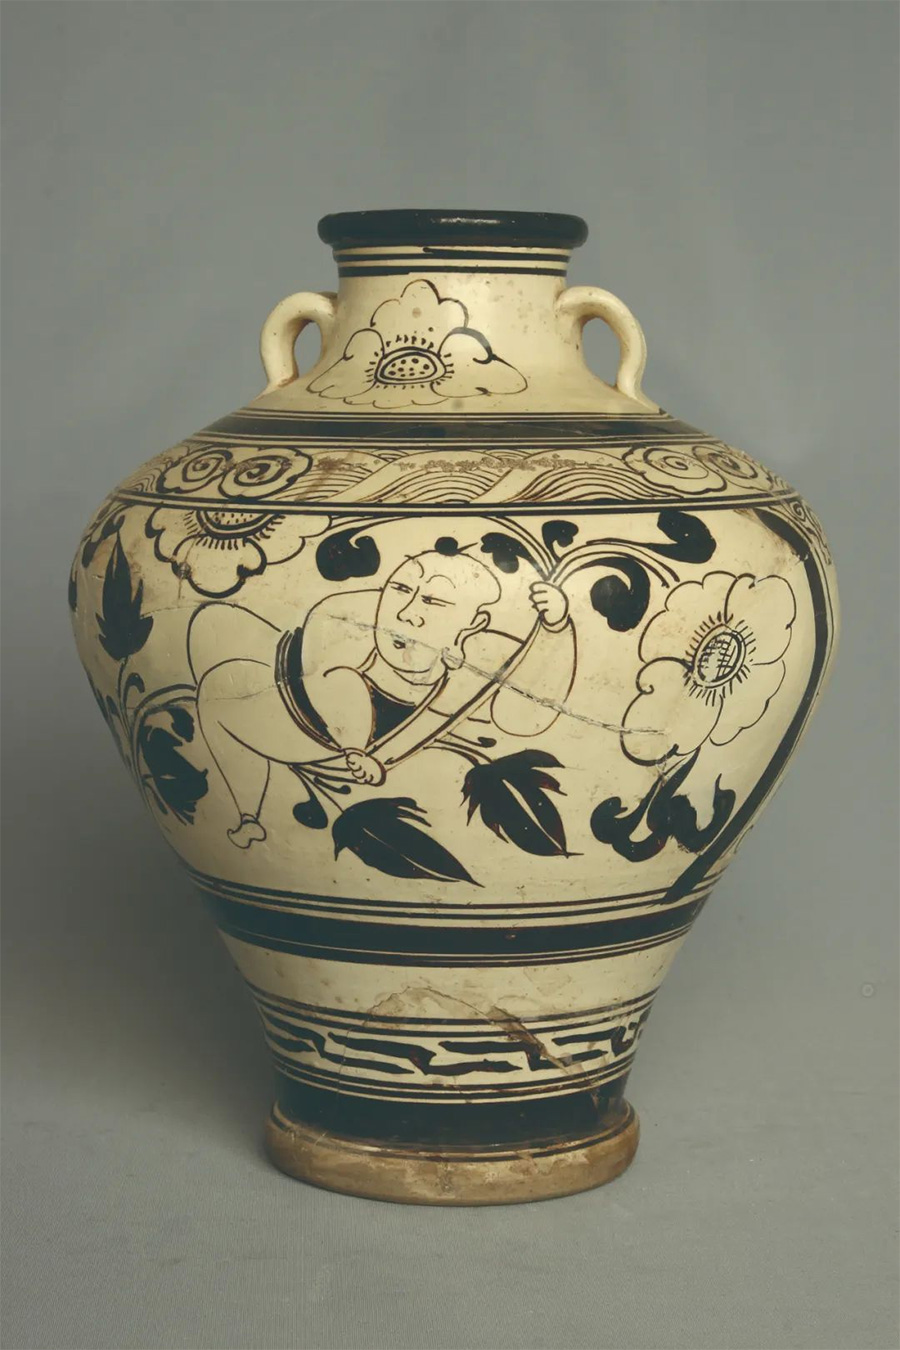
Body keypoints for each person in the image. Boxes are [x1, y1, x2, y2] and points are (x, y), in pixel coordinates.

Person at [188, 546, 576, 848]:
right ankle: (248, 817)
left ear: (474, 623)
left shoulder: (481, 654)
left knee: (331, 683)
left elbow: (526, 715)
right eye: (401, 590)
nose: (406, 613)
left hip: (349, 739)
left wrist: (556, 626)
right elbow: (310, 666)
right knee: (217, 652)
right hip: (303, 717)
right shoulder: (346, 613)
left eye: (433, 601)